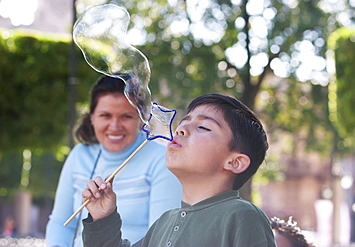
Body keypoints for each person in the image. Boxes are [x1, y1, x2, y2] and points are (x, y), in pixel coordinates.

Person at [81, 93, 276, 247]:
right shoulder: (165, 221)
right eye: (184, 121)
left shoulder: (242, 216)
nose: (181, 129)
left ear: (235, 162)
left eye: (203, 127)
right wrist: (102, 218)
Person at [45, 74, 182, 247]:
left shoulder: (162, 159)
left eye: (126, 116)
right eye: (105, 115)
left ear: (141, 119)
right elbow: (60, 222)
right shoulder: (79, 154)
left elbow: (160, 239)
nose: (115, 126)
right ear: (92, 117)